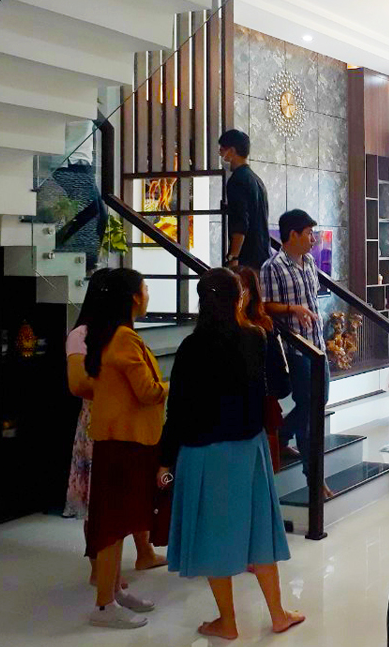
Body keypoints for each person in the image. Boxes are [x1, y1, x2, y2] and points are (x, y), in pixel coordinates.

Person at [160, 268, 304, 640]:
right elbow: (276, 387)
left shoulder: (191, 347)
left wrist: (165, 458)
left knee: (213, 536)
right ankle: (278, 614)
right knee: (260, 531)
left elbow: (177, 409)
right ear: (239, 299)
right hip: (248, 449)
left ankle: (227, 621)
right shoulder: (255, 338)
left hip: (203, 453)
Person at [64, 269, 165, 587]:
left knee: (132, 492)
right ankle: (99, 569)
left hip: (127, 422)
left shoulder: (121, 332)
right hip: (99, 423)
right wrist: (116, 387)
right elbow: (77, 383)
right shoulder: (83, 334)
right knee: (101, 500)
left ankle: (144, 552)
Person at [261, 209, 332, 498]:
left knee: (318, 402)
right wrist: (293, 309)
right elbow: (265, 306)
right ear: (293, 234)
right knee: (309, 407)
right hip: (296, 349)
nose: (313, 239)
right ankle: (313, 477)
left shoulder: (310, 262)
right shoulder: (273, 266)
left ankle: (281, 434)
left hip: (318, 346)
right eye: (309, 233)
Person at [236, 264, 286, 470]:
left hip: (262, 401)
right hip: (236, 405)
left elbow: (276, 367)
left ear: (251, 293)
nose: (238, 295)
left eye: (242, 289)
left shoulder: (262, 325)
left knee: (266, 465)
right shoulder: (224, 327)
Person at [220, 129, 270, 271]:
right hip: (261, 254)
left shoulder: (237, 180)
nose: (220, 154)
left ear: (232, 151)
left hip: (247, 258)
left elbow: (240, 222)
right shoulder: (256, 179)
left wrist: (233, 257)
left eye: (222, 149)